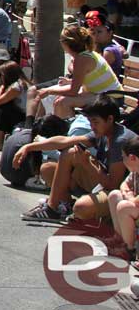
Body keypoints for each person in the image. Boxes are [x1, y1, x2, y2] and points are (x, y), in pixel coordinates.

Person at [17, 95, 136, 223]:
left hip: (122, 194)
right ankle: (56, 207)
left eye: (95, 122)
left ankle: (105, 217)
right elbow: (65, 141)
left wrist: (87, 164)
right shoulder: (103, 131)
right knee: (50, 167)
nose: (92, 126)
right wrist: (29, 147)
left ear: (110, 119)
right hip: (102, 184)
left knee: (81, 208)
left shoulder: (120, 141)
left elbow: (113, 185)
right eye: (90, 122)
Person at [33, 24, 121, 119]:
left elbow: (73, 91)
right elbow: (89, 79)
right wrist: (69, 82)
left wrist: (48, 90)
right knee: (48, 97)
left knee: (62, 101)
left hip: (110, 98)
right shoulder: (85, 54)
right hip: (96, 93)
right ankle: (40, 127)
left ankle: (65, 131)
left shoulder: (82, 59)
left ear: (66, 43)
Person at [108, 137, 139, 259]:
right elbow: (124, 184)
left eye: (123, 157)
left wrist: (131, 199)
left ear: (132, 158)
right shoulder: (135, 171)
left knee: (124, 207)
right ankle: (119, 239)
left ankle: (129, 248)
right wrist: (127, 193)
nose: (123, 160)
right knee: (115, 195)